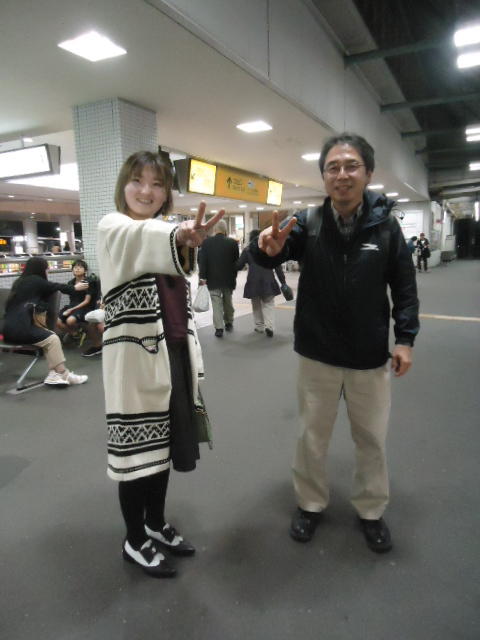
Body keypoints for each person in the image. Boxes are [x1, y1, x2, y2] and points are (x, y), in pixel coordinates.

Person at [251, 132, 419, 553]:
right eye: (333, 167)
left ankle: (371, 510)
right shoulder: (309, 223)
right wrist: (266, 250)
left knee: (371, 439)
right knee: (311, 436)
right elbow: (274, 249)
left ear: (368, 173)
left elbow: (404, 286)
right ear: (324, 176)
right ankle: (310, 503)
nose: (342, 174)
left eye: (351, 166)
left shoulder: (386, 226)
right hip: (318, 352)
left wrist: (405, 339)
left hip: (369, 354)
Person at [97, 150, 224, 578]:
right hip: (135, 364)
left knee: (162, 450)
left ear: (166, 192)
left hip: (173, 357)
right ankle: (134, 540)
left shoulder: (166, 233)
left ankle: (155, 522)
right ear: (123, 185)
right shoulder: (114, 225)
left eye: (157, 184)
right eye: (138, 180)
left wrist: (181, 236)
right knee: (137, 456)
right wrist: (181, 233)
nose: (146, 191)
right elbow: (142, 237)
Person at [3, 257, 89, 386]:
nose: (47, 271)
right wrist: (75, 288)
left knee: (49, 336)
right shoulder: (36, 281)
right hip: (21, 329)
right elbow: (56, 286)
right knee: (52, 339)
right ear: (41, 269)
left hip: (7, 329)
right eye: (46, 268)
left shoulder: (19, 282)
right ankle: (63, 373)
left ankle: (54, 374)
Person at [237, 228, 287, 337]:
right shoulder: (269, 248)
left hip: (253, 281)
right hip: (268, 280)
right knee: (269, 304)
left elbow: (239, 265)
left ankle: (259, 326)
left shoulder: (247, 250)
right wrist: (283, 282)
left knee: (256, 304)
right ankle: (270, 326)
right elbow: (278, 267)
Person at [198, 219, 239, 337]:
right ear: (225, 230)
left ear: (215, 229)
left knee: (216, 303)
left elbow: (203, 262)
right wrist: (234, 276)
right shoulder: (232, 243)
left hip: (212, 279)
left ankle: (219, 328)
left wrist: (202, 278)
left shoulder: (206, 243)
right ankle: (229, 322)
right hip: (228, 279)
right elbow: (236, 262)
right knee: (228, 301)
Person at [56, 259, 93, 337]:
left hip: (84, 307)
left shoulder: (89, 282)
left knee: (70, 321)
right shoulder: (70, 283)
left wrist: (71, 310)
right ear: (72, 270)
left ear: (85, 270)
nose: (77, 269)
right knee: (57, 322)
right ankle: (75, 334)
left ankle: (79, 331)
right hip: (72, 306)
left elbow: (87, 301)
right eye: (75, 267)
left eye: (80, 267)